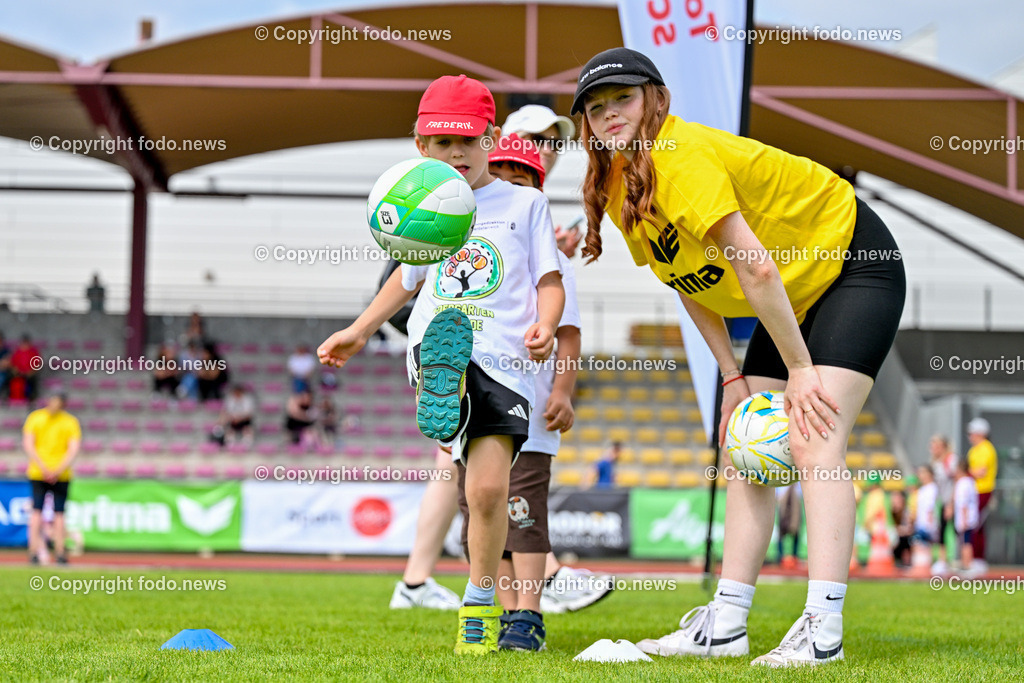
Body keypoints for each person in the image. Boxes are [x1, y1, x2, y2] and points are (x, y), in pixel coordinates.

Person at [573, 47, 906, 667]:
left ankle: (823, 630)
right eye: (595, 108)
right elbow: (685, 281)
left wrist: (801, 370)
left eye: (623, 97)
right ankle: (726, 624)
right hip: (790, 290)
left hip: (852, 261)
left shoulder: (681, 157)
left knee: (813, 439)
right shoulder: (619, 184)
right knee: (747, 444)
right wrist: (731, 375)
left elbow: (754, 268)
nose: (609, 113)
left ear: (656, 100)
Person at [317, 74, 564, 655]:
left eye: (468, 141)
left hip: (507, 363)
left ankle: (478, 599)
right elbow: (405, 283)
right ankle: (440, 379)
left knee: (487, 493)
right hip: (444, 340)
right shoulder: (422, 204)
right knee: (446, 343)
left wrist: (547, 325)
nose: (457, 154)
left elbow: (550, 281)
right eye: (443, 143)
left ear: (490, 139)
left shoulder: (526, 203)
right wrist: (358, 331)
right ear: (421, 146)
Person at [503, 105, 582, 255]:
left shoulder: (534, 196)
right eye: (538, 139)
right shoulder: (486, 188)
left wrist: (553, 254)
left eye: (555, 143)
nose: (548, 150)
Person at [23, 392, 81, 565]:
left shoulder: (37, 418)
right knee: (55, 513)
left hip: (41, 472)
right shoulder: (69, 421)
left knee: (41, 512)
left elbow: (29, 445)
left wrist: (44, 468)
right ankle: (58, 553)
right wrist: (56, 470)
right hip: (56, 473)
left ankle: (35, 553)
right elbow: (73, 449)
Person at [966, 417, 997, 571]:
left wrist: (965, 472)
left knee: (976, 525)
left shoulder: (986, 448)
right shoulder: (974, 450)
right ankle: (974, 558)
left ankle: (978, 559)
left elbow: (980, 472)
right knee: (973, 525)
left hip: (983, 491)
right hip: (974, 491)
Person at [929, 434, 957, 574]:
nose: (934, 449)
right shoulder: (935, 463)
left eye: (937, 446)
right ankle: (942, 560)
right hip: (942, 501)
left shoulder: (950, 460)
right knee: (941, 531)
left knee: (957, 530)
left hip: (952, 501)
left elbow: (955, 481)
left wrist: (951, 504)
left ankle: (959, 560)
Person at [952, 458, 980, 575]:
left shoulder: (963, 483)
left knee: (965, 542)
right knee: (966, 541)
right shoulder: (970, 482)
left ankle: (967, 565)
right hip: (970, 517)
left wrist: (963, 519)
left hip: (965, 518)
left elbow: (963, 503)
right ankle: (966, 564)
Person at [912, 465, 939, 561]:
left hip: (928, 523)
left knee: (927, 546)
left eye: (923, 472)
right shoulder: (922, 489)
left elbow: (930, 508)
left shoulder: (932, 488)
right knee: (919, 546)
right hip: (920, 522)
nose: (920, 475)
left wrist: (930, 524)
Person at [776, 483, 803, 569]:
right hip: (784, 516)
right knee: (781, 537)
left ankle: (794, 557)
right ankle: (780, 557)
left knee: (795, 536)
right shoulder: (783, 488)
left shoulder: (797, 489)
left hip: (793, 515)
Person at [10, 334, 43, 401]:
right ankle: (10, 395)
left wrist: (31, 371)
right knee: (9, 377)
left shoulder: (33, 351)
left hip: (29, 373)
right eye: (23, 342)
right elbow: (12, 363)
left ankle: (32, 396)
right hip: (18, 373)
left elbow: (37, 364)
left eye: (26, 342)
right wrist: (15, 370)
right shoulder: (17, 351)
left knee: (32, 379)